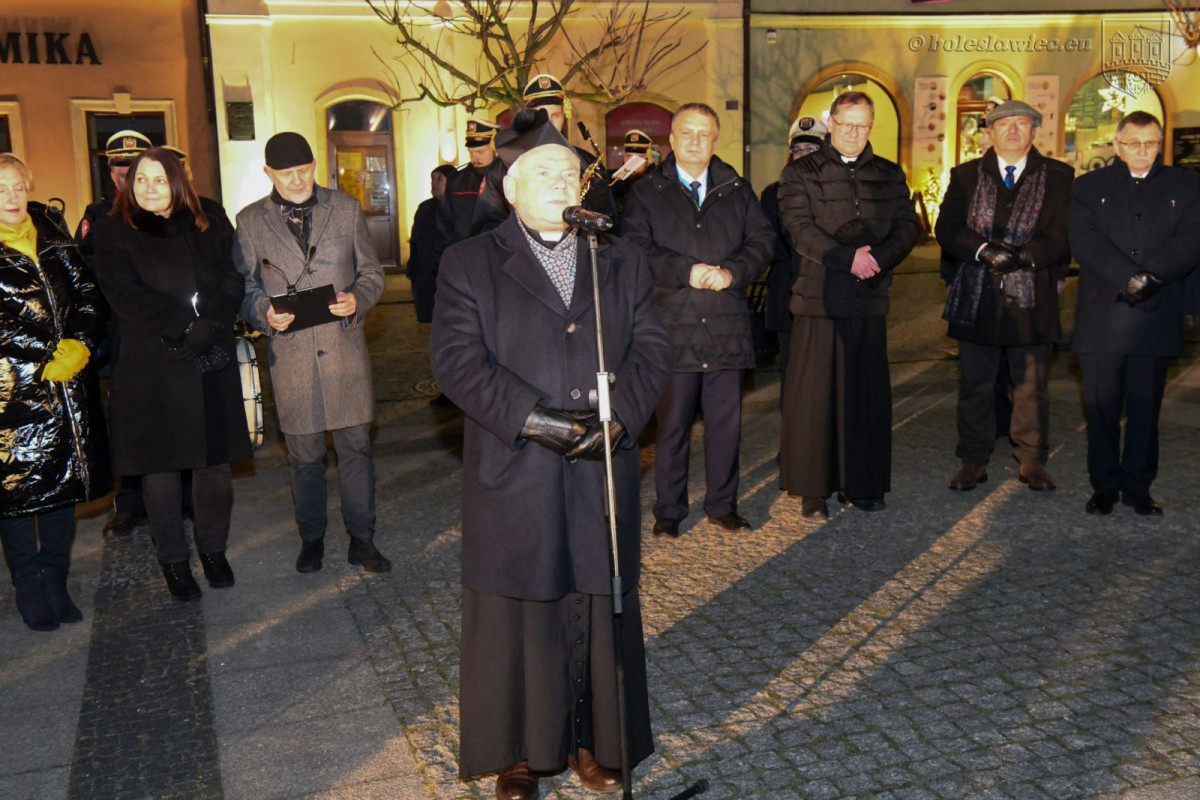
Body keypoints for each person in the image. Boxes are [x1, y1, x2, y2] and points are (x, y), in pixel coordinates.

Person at [431, 110, 673, 800]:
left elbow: (653, 347)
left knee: (598, 603)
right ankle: (518, 753)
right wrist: (533, 420)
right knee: (520, 608)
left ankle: (596, 741)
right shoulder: (469, 262)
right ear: (510, 187)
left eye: (568, 171)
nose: (559, 181)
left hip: (602, 462)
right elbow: (455, 361)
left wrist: (622, 417)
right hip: (518, 468)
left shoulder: (618, 255)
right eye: (543, 172)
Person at [91, 147, 249, 601]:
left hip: (208, 358)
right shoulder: (113, 229)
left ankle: (213, 550)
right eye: (141, 180)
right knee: (158, 468)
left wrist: (212, 324)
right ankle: (174, 561)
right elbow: (123, 292)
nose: (149, 188)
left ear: (178, 182)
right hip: (150, 364)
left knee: (213, 466)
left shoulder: (208, 218)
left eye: (159, 180)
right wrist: (185, 325)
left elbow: (231, 276)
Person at [233, 132, 389, 575]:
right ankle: (312, 538)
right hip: (292, 359)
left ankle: (363, 540)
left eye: (305, 170)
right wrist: (263, 311)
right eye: (287, 174)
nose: (299, 181)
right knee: (304, 458)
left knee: (357, 450)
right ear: (269, 175)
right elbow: (244, 286)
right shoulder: (248, 221)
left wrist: (359, 297)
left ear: (315, 166)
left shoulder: (345, 208)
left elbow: (372, 272)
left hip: (344, 352)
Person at [623, 102, 775, 537]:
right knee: (671, 426)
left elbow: (762, 241)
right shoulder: (647, 192)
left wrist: (733, 272)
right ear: (671, 140)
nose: (694, 141)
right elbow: (635, 248)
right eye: (686, 133)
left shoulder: (736, 188)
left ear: (715, 141)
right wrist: (685, 271)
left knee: (726, 427)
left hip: (726, 325)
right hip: (672, 327)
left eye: (703, 134)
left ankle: (722, 504)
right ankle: (669, 510)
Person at [777, 91, 923, 517]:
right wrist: (848, 258)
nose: (855, 133)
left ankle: (863, 484)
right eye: (847, 124)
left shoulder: (889, 173)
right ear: (832, 124)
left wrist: (880, 257)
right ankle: (813, 489)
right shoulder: (799, 174)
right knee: (815, 400)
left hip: (869, 298)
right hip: (819, 297)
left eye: (863, 125)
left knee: (866, 398)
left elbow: (907, 225)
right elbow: (798, 228)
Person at [936, 99, 1074, 494]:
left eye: (1022, 124)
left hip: (1033, 297)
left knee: (1031, 384)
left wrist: (1026, 256)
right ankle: (974, 460)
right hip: (976, 294)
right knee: (976, 384)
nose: (1013, 130)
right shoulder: (965, 176)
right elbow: (948, 228)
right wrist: (983, 250)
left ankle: (1032, 460)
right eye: (1004, 124)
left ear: (1034, 132)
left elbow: (1064, 235)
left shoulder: (1060, 176)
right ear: (990, 132)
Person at [1068, 111, 1200, 516]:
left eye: (1150, 143)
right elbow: (1084, 241)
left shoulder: (1187, 185)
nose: (1142, 151)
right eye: (1133, 143)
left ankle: (1139, 487)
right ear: (1117, 144)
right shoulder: (1088, 187)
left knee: (1145, 406)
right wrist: (1127, 276)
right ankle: (1104, 485)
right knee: (1101, 407)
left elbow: (1192, 240)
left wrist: (1153, 276)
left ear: (1159, 144)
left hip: (1156, 312)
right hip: (1102, 314)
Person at [1, 154, 109, 630]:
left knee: (64, 488)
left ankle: (56, 580)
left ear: (29, 185)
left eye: (16, 185)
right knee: (17, 494)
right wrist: (42, 354)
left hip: (65, 388)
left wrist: (80, 343)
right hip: (12, 392)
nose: (10, 196)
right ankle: (27, 583)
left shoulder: (52, 231)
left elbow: (88, 293)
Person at [75, 129, 154, 539]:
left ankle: (183, 497)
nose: (124, 174)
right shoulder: (96, 215)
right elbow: (81, 278)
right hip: (118, 338)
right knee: (122, 423)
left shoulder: (161, 207)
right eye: (118, 166)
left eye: (132, 165)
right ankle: (131, 503)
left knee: (172, 412)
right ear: (110, 171)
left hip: (158, 334)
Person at [760, 116, 827, 403]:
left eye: (812, 150)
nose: (803, 157)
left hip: (827, 298)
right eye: (798, 150)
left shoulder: (834, 192)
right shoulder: (773, 194)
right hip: (788, 297)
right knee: (792, 374)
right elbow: (767, 244)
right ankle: (794, 445)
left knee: (826, 374)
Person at [522, 72, 618, 220]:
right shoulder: (507, 165)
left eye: (556, 116)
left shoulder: (587, 162)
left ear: (564, 117)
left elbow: (608, 217)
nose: (549, 124)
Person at [407, 163, 457, 323]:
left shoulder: (460, 207)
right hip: (424, 274)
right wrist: (413, 267)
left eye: (439, 179)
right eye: (432, 178)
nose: (434, 183)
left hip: (448, 274)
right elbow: (415, 239)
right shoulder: (425, 208)